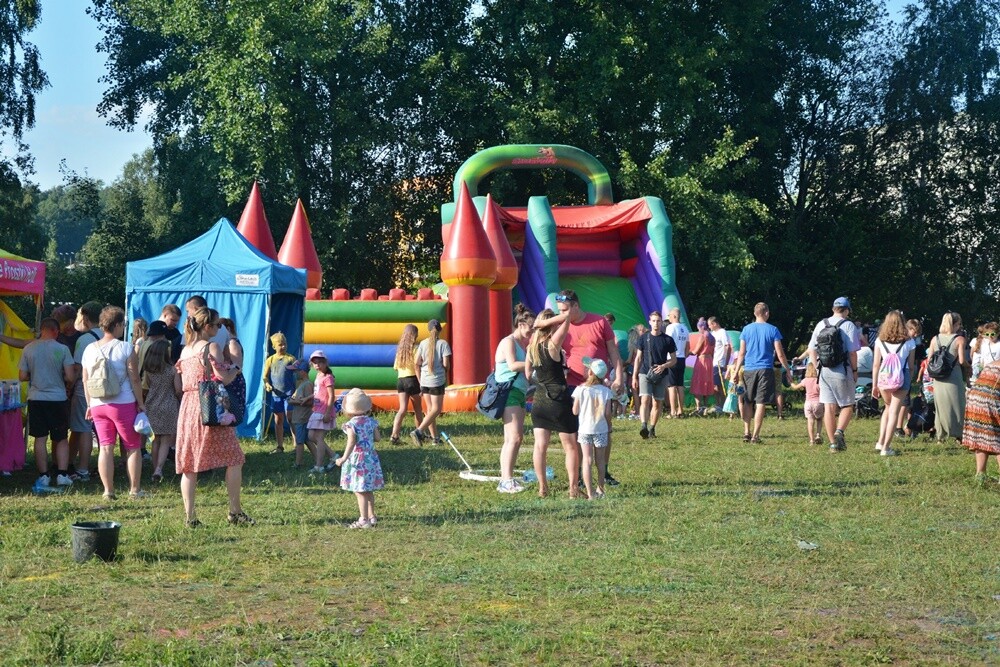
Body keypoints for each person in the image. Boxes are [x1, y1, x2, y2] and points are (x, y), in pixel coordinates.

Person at [175, 307, 253, 527]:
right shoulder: (212, 347)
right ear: (207, 327)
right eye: (217, 325)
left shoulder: (185, 350)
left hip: (189, 407)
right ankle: (235, 512)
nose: (220, 328)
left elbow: (180, 384)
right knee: (235, 458)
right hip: (210, 406)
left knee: (189, 465)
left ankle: (190, 517)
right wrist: (237, 366)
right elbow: (224, 378)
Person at [552, 289, 624, 486]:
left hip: (598, 386)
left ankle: (604, 471)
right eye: (559, 310)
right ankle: (580, 475)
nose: (562, 313)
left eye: (565, 309)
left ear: (576, 306)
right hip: (572, 385)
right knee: (577, 431)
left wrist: (619, 378)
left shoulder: (599, 322)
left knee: (604, 428)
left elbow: (613, 352)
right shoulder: (560, 324)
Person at [81, 306, 147, 499]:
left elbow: (85, 379)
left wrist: (89, 405)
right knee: (133, 446)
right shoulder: (126, 348)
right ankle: (135, 490)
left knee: (105, 447)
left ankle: (108, 491)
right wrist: (140, 402)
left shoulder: (89, 349)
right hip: (123, 402)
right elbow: (135, 379)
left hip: (97, 403)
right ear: (118, 325)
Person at [525, 308, 578, 498]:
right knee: (570, 446)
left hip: (539, 399)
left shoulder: (532, 347)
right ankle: (573, 490)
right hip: (558, 399)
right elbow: (568, 316)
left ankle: (542, 488)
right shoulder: (553, 345)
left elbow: (527, 374)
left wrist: (541, 323)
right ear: (551, 325)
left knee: (540, 446)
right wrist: (546, 323)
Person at [18, 318, 75, 492]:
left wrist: (34, 376)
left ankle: (43, 475)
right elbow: (71, 377)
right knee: (61, 438)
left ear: (41, 330)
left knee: (40, 438)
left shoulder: (29, 348)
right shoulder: (62, 349)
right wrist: (66, 384)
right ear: (56, 332)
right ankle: (62, 474)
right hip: (58, 398)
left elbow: (22, 376)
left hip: (36, 398)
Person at [730, 302, 793, 443]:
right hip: (765, 369)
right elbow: (780, 354)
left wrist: (735, 372)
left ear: (754, 313)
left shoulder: (746, 330)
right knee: (761, 402)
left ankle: (746, 431)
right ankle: (755, 436)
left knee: (747, 401)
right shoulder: (773, 330)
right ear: (767, 313)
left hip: (749, 369)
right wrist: (787, 370)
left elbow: (741, 353)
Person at [807, 297, 862, 452]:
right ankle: (839, 432)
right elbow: (852, 353)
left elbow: (812, 349)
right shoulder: (849, 325)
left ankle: (833, 444)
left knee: (829, 407)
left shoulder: (821, 324)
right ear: (847, 310)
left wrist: (816, 368)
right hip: (842, 370)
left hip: (824, 371)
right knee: (847, 405)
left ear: (833, 309)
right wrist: (855, 371)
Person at [495, 304, 535, 493]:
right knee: (515, 438)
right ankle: (506, 481)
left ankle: (506, 478)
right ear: (520, 324)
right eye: (530, 327)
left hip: (519, 392)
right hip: (509, 392)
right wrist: (534, 362)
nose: (532, 331)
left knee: (511, 439)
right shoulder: (508, 342)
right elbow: (512, 365)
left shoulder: (523, 345)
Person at [335, 388, 384, 528]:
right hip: (370, 457)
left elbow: (351, 441)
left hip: (357, 460)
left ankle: (363, 519)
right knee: (368, 489)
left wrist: (343, 458)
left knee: (359, 490)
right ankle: (372, 516)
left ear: (348, 409)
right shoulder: (371, 422)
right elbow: (378, 438)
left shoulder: (351, 425)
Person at [871, 311, 917, 457]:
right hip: (901, 378)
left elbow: (876, 365)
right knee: (894, 413)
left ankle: (880, 441)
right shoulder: (909, 342)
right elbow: (910, 365)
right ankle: (886, 448)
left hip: (884, 379)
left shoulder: (880, 340)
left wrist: (874, 385)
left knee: (887, 408)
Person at [68, 301, 104, 481]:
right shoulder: (108, 335)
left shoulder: (84, 339)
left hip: (85, 389)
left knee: (82, 428)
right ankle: (68, 462)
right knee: (79, 428)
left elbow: (76, 369)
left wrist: (68, 387)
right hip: (105, 390)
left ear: (85, 317)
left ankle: (82, 468)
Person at [572, 358, 614, 499]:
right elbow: (608, 413)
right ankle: (600, 489)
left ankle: (590, 493)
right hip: (601, 429)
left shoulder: (580, 390)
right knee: (600, 460)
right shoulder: (606, 391)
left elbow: (575, 411)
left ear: (590, 372)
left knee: (587, 460)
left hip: (584, 429)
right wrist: (609, 426)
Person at [631, 311, 676, 439]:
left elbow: (674, 360)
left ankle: (652, 428)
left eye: (658, 321)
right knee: (645, 399)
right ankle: (643, 426)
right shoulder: (643, 338)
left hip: (661, 374)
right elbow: (638, 358)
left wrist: (663, 366)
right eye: (654, 321)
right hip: (645, 372)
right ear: (650, 322)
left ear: (662, 322)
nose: (656, 323)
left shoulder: (668, 340)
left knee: (657, 403)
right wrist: (634, 376)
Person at [142, 339, 181, 483]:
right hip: (169, 404)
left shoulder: (149, 370)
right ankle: (159, 468)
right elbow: (177, 389)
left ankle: (154, 470)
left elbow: (147, 386)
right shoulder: (172, 369)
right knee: (166, 440)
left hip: (152, 405)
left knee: (155, 440)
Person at [928, 312, 969, 443]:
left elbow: (929, 359)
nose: (960, 327)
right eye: (959, 324)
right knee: (958, 405)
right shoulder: (959, 339)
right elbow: (962, 361)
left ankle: (941, 436)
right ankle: (959, 435)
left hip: (938, 377)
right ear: (955, 324)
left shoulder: (935, 339)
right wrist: (969, 366)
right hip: (953, 375)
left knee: (940, 407)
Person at [962, 351, 1000, 485]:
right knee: (997, 439)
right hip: (990, 401)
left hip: (974, 399)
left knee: (981, 437)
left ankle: (980, 475)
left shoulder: (992, 364)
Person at [411, 319, 451, 445]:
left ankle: (435, 439)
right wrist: (445, 371)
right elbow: (446, 364)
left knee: (430, 410)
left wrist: (420, 381)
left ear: (428, 330)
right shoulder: (443, 344)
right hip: (437, 381)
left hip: (425, 380)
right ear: (440, 329)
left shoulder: (423, 344)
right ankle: (419, 431)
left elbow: (417, 363)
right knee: (436, 410)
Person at [390, 324, 424, 445]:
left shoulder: (400, 350)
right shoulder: (415, 349)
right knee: (418, 410)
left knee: (402, 409)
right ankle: (419, 434)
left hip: (401, 381)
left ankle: (394, 435)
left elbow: (395, 367)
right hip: (413, 380)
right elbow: (418, 365)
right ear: (414, 335)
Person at [263, 332, 296, 454]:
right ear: (274, 347)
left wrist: (297, 391)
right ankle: (280, 446)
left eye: (285, 344)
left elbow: (298, 376)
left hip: (289, 394)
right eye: (280, 344)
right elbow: (265, 376)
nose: (283, 347)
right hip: (276, 395)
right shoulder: (270, 360)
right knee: (278, 420)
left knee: (291, 418)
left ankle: (296, 445)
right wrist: (267, 384)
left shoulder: (291, 359)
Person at [307, 349, 337, 472]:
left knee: (318, 438)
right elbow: (318, 392)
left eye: (320, 362)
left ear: (325, 363)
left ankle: (318, 465)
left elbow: (331, 396)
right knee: (311, 436)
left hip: (324, 410)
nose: (317, 365)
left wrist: (328, 412)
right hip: (316, 410)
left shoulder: (328, 377)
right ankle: (333, 456)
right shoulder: (318, 376)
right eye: (315, 363)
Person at [286, 359, 315, 468]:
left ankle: (298, 463)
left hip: (302, 417)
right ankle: (318, 459)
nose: (295, 373)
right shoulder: (302, 384)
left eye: (297, 371)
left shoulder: (307, 384)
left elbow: (310, 402)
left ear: (303, 371)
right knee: (307, 440)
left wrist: (293, 401)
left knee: (299, 442)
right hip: (299, 417)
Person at [664, 308, 691, 419]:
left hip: (672, 358)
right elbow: (688, 347)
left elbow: (667, 342)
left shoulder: (670, 327)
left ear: (674, 316)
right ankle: (681, 410)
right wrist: (683, 355)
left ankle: (673, 411)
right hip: (682, 358)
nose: (669, 318)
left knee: (671, 386)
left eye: (669, 315)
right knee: (680, 385)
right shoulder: (685, 328)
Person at [790, 361, 823, 445]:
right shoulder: (818, 380)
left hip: (808, 403)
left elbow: (795, 387)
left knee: (810, 421)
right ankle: (818, 434)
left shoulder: (805, 380)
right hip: (818, 402)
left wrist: (790, 382)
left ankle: (811, 440)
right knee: (819, 419)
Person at [689, 318, 716, 416]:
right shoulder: (712, 337)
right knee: (706, 383)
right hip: (709, 361)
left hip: (701, 360)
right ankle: (705, 406)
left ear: (701, 327)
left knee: (698, 383)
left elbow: (695, 351)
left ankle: (698, 407)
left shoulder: (702, 337)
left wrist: (687, 352)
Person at [708, 317, 731, 415]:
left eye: (710, 325)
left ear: (714, 323)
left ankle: (724, 405)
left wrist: (725, 362)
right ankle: (718, 405)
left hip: (719, 363)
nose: (709, 327)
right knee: (715, 386)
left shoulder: (722, 332)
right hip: (713, 362)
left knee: (719, 386)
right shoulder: (712, 334)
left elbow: (727, 347)